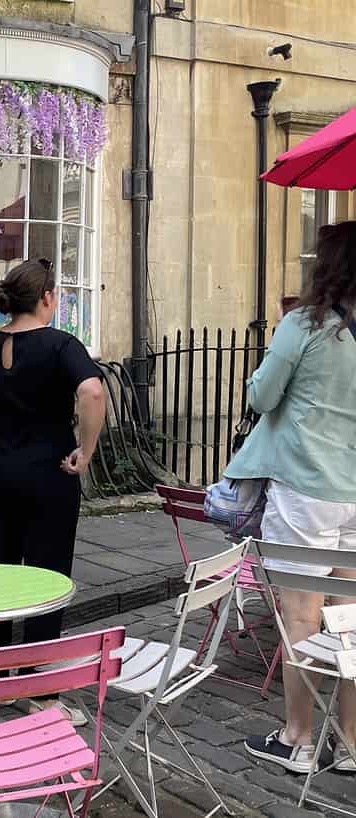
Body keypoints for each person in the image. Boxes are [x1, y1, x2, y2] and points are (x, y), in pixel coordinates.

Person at [0, 258, 106, 724]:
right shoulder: (61, 345)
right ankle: (39, 692)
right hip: (49, 473)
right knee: (47, 579)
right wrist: (85, 451)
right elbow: (92, 392)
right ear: (47, 297)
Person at [230, 221, 356, 775]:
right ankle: (352, 744)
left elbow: (261, 394)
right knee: (351, 618)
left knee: (302, 616)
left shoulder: (305, 324)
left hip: (307, 487)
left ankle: (299, 738)